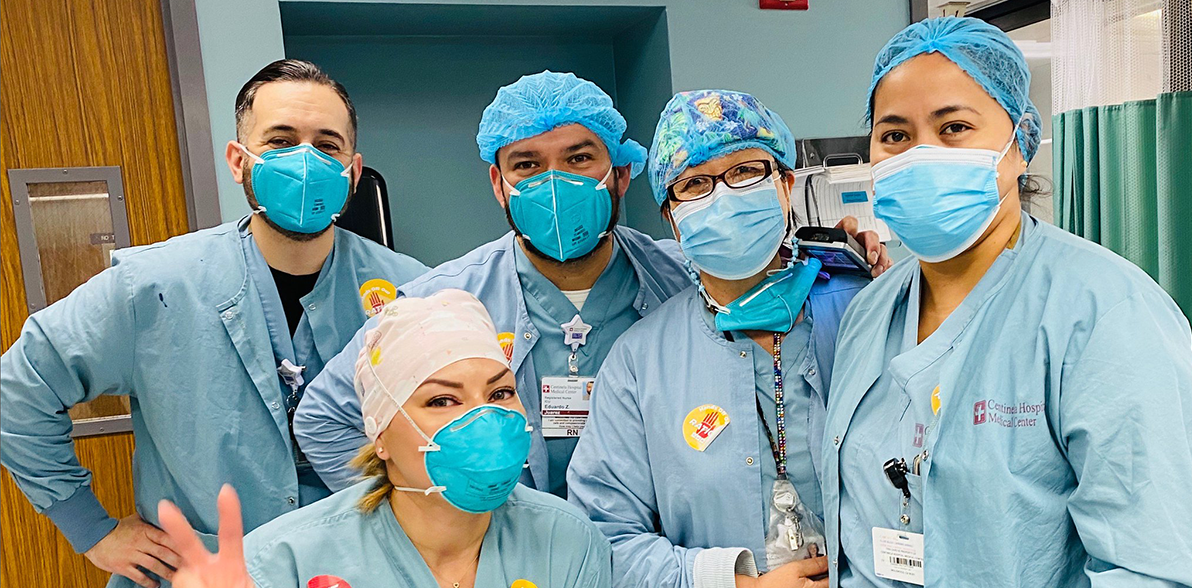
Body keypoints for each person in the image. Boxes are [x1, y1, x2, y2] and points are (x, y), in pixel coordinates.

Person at [293, 71, 890, 500]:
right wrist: (433, 506)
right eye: (526, 164)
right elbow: (323, 418)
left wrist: (840, 255)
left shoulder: (681, 274)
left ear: (621, 174)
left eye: (579, 158)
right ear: (499, 185)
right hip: (518, 571)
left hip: (660, 567)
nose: (554, 182)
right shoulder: (445, 301)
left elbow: (765, 279)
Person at [0, 59, 428, 588]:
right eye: (280, 141)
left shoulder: (411, 290)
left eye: (327, 145)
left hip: (369, 586)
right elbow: (17, 392)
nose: (305, 160)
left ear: (353, 171)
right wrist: (92, 530)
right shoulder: (153, 287)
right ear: (238, 160)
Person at [821, 17, 1192, 588]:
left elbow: (1151, 582)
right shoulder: (870, 310)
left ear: (1020, 142)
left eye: (955, 128)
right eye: (895, 135)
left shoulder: (1102, 311)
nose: (921, 153)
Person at [567, 89, 878, 588]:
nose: (723, 197)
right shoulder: (642, 363)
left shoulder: (866, 309)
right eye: (695, 184)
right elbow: (606, 537)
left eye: (746, 171)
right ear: (671, 216)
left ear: (785, 184)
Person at [146, 290, 623, 588]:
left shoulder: (564, 541)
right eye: (442, 401)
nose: (485, 419)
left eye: (499, 392)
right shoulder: (281, 567)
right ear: (381, 436)